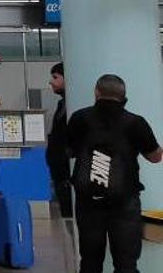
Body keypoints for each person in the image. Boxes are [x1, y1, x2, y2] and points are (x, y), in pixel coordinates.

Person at [67, 74, 163, 273]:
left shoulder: (79, 118)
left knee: (90, 261)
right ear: (123, 96)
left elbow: (68, 151)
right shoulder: (136, 122)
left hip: (89, 201)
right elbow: (155, 157)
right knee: (126, 263)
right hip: (124, 201)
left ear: (97, 92)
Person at [46, 63, 72, 218]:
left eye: (55, 77)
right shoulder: (61, 104)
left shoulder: (72, 107)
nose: (51, 82)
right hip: (59, 172)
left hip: (67, 172)